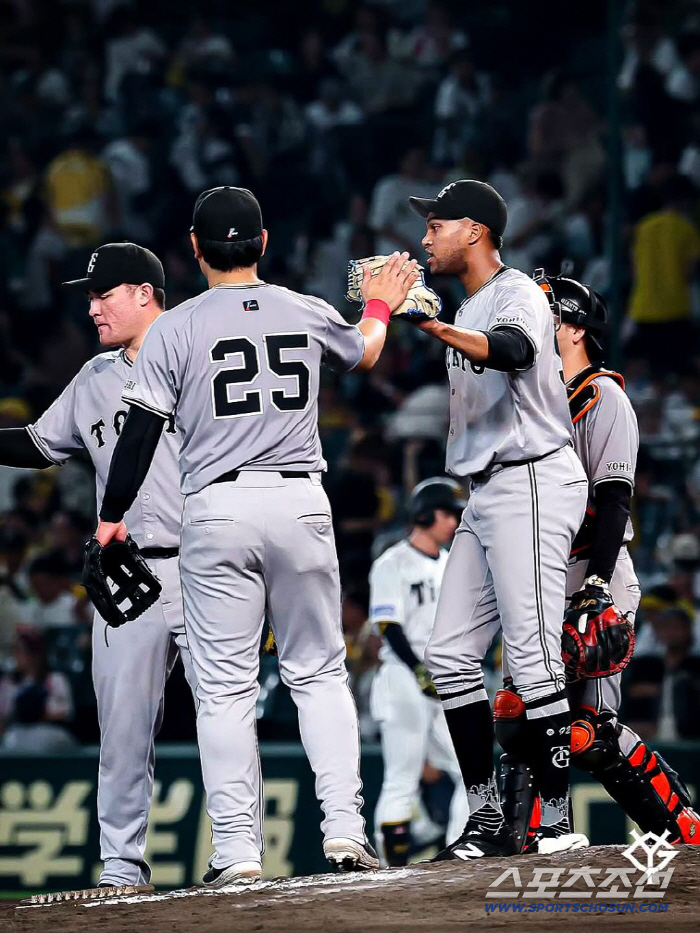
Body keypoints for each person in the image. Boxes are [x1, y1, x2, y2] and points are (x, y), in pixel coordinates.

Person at [94, 186, 420, 886]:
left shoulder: (175, 326)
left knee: (226, 690)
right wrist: (380, 305)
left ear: (193, 247)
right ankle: (344, 830)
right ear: (263, 243)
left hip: (215, 507)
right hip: (301, 497)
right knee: (320, 671)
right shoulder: (302, 308)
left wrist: (112, 511)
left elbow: (142, 431)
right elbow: (365, 351)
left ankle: (239, 852)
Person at [0, 242, 200, 893]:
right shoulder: (94, 377)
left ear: (145, 292)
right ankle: (121, 865)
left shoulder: (203, 356)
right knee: (122, 727)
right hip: (130, 571)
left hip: (209, 564)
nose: (90, 307)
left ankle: (238, 849)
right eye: (88, 295)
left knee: (229, 716)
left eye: (101, 293)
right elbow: (38, 443)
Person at [406, 180, 589, 859]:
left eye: (438, 223)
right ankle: (485, 817)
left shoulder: (516, 294)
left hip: (534, 476)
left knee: (534, 657)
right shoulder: (470, 303)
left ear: (476, 230)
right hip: (487, 491)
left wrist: (430, 324)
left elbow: (513, 350)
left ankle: (558, 824)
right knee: (450, 654)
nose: (426, 236)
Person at [505, 273, 698, 844]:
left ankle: (683, 828)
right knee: (520, 716)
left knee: (590, 732)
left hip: (595, 567)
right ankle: (517, 837)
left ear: (573, 328)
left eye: (549, 316)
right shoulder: (536, 394)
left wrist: (596, 585)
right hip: (541, 572)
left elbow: (614, 496)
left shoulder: (604, 396)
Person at [369, 477, 469, 866]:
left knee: (471, 772)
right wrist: (417, 670)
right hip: (403, 677)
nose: (454, 521)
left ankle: (463, 851)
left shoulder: (451, 565)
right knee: (402, 777)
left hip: (446, 678)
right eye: (449, 513)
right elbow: (388, 625)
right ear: (425, 513)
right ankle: (390, 871)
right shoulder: (391, 562)